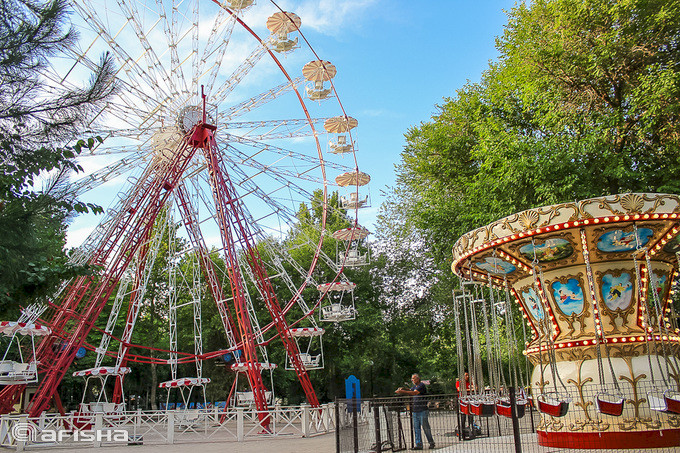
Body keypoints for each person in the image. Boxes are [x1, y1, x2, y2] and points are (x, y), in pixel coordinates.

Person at [395, 373, 435, 450]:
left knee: (425, 427)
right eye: (412, 379)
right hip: (415, 410)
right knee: (416, 428)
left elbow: (414, 392)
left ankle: (431, 442)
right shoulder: (415, 386)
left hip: (422, 409)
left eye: (413, 378)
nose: (412, 380)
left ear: (417, 379)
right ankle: (419, 444)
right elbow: (410, 390)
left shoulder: (421, 385)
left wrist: (402, 392)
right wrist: (403, 389)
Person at [456, 371, 476, 439]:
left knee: (470, 417)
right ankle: (462, 433)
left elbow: (475, 388)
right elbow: (459, 389)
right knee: (463, 418)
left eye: (468, 375)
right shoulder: (459, 382)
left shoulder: (470, 383)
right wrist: (469, 389)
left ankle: (471, 433)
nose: (467, 377)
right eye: (466, 375)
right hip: (463, 402)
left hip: (469, 401)